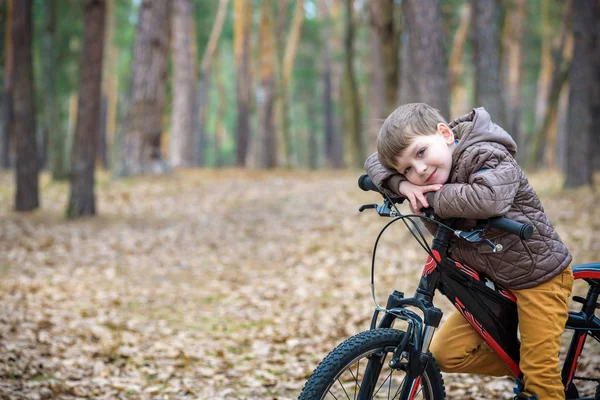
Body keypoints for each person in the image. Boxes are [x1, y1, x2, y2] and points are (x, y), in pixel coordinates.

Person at [365, 103, 573, 400]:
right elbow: (373, 162)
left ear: (445, 133)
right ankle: (531, 365)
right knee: (445, 355)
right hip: (490, 283)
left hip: (537, 276)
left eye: (421, 153)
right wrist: (401, 184)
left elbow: (489, 199)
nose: (420, 171)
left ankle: (541, 376)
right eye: (408, 168)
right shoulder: (427, 172)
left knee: (540, 381)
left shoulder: (487, 152)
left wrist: (430, 198)